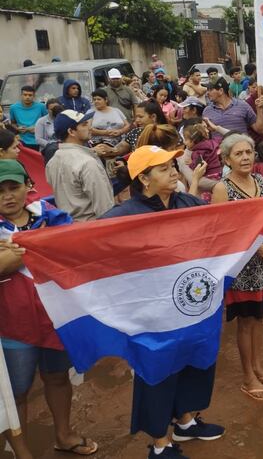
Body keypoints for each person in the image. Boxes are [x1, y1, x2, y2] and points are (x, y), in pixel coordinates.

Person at [101, 146, 223, 459]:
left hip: (190, 307)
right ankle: (160, 443)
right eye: (163, 167)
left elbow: (220, 228)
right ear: (143, 177)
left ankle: (185, 421)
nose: (173, 171)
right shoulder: (123, 217)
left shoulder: (187, 202)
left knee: (193, 364)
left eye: (172, 165)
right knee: (157, 373)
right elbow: (93, 250)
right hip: (151, 316)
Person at [0, 160, 98, 458]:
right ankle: (21, 449)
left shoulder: (52, 214)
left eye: (13, 187)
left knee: (57, 377)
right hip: (12, 324)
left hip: (57, 316)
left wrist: (17, 253)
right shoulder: (49, 222)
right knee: (15, 391)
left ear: (28, 185)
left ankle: (64, 435)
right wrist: (38, 247)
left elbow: (72, 252)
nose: (7, 196)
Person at [211, 134, 263, 402]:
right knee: (245, 322)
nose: (244, 157)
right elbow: (221, 232)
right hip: (241, 268)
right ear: (227, 159)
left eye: (248, 152)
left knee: (259, 318)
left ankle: (258, 367)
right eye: (238, 154)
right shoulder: (223, 188)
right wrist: (255, 247)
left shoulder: (260, 181)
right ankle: (248, 377)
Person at [45, 111, 114, 221]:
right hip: (92, 227)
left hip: (67, 227)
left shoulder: (52, 162)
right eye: (84, 124)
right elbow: (105, 208)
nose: (89, 127)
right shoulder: (87, 163)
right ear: (71, 131)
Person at [9, 87, 46, 151]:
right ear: (21, 95)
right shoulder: (13, 108)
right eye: (25, 95)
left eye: (30, 95)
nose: (27, 97)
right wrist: (17, 128)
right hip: (21, 142)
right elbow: (13, 123)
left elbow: (48, 122)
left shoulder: (41, 107)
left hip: (39, 141)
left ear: (34, 96)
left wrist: (38, 128)